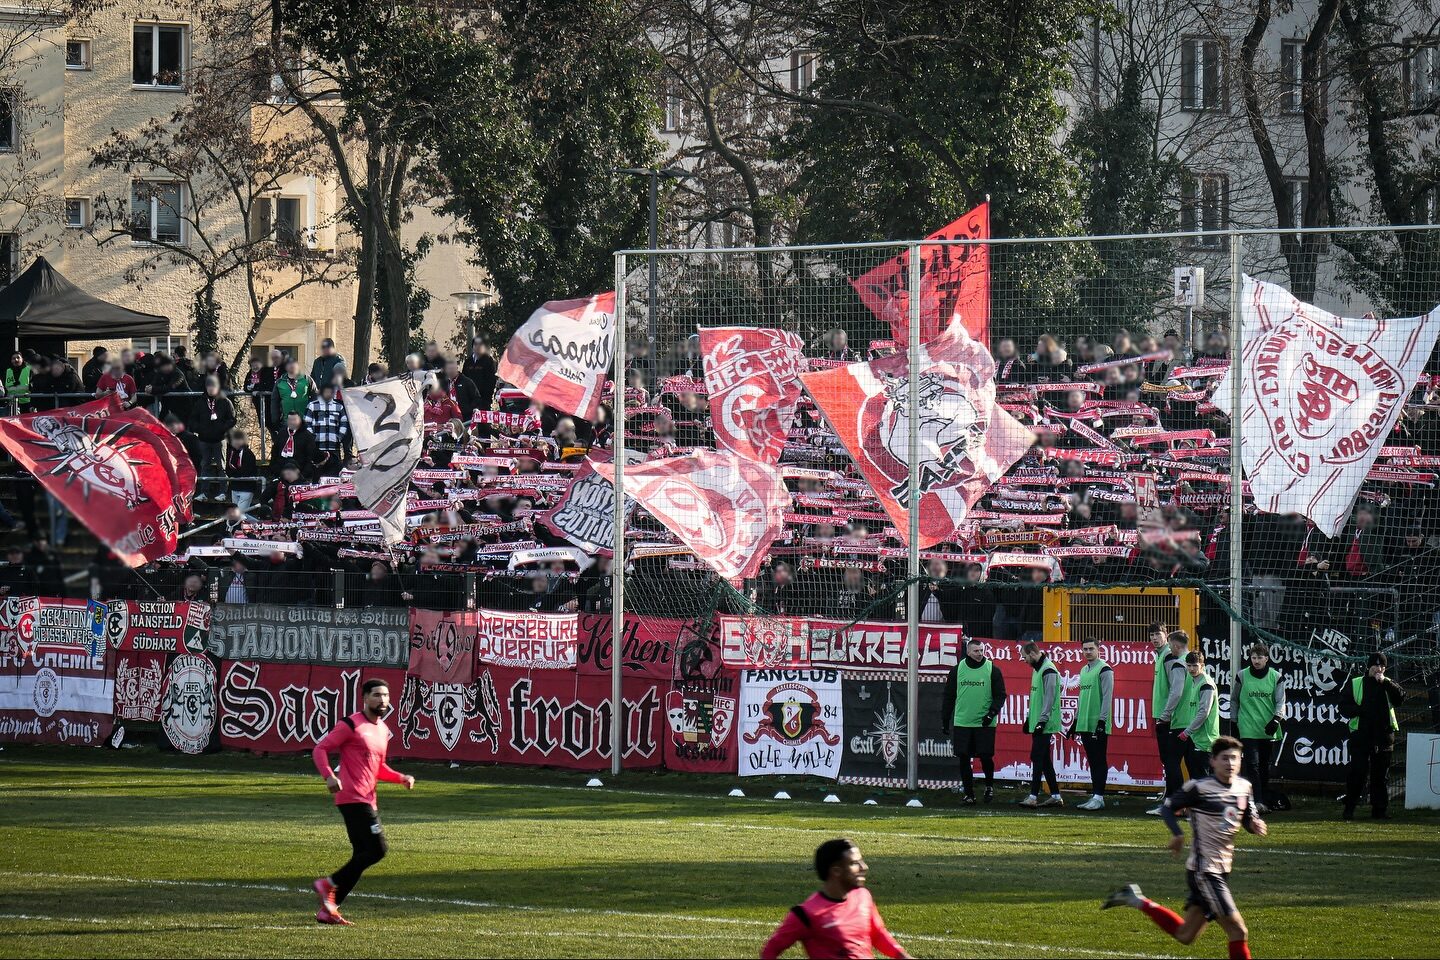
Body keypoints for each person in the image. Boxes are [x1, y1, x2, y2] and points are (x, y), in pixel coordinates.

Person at [1103, 736, 1265, 960]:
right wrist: (1178, 834)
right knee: (1238, 930)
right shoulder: (1198, 788)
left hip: (1222, 868)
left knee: (1185, 935)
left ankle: (1136, 899)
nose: (1230, 763)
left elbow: (1246, 816)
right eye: (1225, 758)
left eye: (1234, 759)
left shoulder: (1244, 787)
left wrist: (1253, 824)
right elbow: (1168, 808)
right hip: (1205, 870)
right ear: (1213, 761)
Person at [310, 678, 415, 926]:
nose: (383, 700)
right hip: (352, 797)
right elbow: (320, 749)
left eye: (386, 695)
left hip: (369, 798)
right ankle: (328, 884)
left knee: (362, 855)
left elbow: (378, 767)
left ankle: (329, 909)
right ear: (365, 698)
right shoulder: (351, 724)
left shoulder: (382, 731)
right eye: (377, 695)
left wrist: (401, 778)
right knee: (377, 849)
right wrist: (329, 776)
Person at [760, 838, 909, 960]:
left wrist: (902, 956)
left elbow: (877, 934)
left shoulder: (863, 897)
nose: (864, 867)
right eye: (854, 863)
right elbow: (770, 951)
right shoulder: (806, 914)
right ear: (836, 871)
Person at [1340, 652, 1406, 820]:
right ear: (1369, 667)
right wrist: (1361, 711)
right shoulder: (1356, 683)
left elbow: (1400, 699)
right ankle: (1349, 809)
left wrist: (1386, 683)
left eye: (1382, 666)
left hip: (1383, 736)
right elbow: (1344, 707)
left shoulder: (1389, 684)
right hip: (1361, 735)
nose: (1379, 669)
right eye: (1376, 665)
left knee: (1380, 776)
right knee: (1357, 773)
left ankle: (1379, 811)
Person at [942, 637, 1006, 804]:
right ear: (968, 652)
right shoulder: (957, 670)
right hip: (963, 721)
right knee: (963, 757)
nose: (980, 654)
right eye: (976, 651)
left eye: (981, 651)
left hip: (984, 722)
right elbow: (949, 696)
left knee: (985, 756)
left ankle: (989, 786)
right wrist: (945, 719)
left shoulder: (992, 670)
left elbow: (1000, 695)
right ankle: (969, 794)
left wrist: (991, 713)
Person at [1232, 643, 1285, 813]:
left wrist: (1276, 719)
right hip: (1247, 726)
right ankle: (1258, 802)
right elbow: (1234, 699)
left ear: (1267, 659)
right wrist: (1234, 721)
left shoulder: (1276, 677)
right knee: (1252, 765)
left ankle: (1263, 798)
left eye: (1260, 657)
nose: (1256, 661)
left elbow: (1280, 701)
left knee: (1264, 766)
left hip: (1267, 728)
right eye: (1253, 657)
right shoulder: (1242, 676)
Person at [1069, 637, 1114, 810]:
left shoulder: (1105, 669)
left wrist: (1102, 721)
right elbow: (1081, 698)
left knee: (1099, 760)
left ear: (1098, 649)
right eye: (1085, 649)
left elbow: (1107, 698)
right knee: (1092, 761)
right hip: (1084, 723)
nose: (1087, 652)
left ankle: (1099, 797)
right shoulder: (1083, 670)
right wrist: (1075, 720)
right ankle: (1095, 796)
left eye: (1091, 649)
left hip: (1097, 723)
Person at [1018, 640, 1063, 808]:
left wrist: (1041, 721)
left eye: (1024, 657)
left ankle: (1033, 796)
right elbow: (1036, 698)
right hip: (1038, 722)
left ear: (1032, 654)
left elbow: (1050, 699)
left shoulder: (1048, 670)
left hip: (1045, 724)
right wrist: (1030, 719)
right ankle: (1056, 796)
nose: (1024, 660)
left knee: (1037, 757)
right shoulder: (1038, 670)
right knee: (1044, 760)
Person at [1151, 629, 1192, 813]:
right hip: (1192, 720)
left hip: (1176, 720)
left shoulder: (1176, 662)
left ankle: (1175, 803)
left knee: (1171, 761)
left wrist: (1165, 715)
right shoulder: (1195, 663)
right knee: (1192, 764)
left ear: (1174, 645)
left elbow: (1176, 692)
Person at [185, 375, 236, 500]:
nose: (211, 389)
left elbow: (232, 419)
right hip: (204, 439)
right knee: (205, 465)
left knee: (221, 466)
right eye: (209, 386)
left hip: (220, 439)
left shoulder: (225, 401)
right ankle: (204, 492)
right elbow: (192, 419)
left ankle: (223, 492)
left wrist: (222, 428)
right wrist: (199, 429)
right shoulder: (201, 402)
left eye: (213, 386)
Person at [1174, 650, 1219, 780]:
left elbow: (1203, 712)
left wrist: (1187, 732)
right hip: (1198, 739)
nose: (1192, 669)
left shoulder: (1206, 684)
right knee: (1199, 780)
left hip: (1206, 740)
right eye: (1189, 665)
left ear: (1202, 666)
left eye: (1195, 666)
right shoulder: (1195, 681)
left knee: (1204, 781)